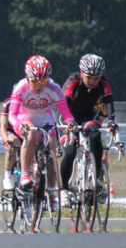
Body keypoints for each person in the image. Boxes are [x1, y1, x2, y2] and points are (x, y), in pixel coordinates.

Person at [9, 55, 76, 210]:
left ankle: (52, 194)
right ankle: (26, 173)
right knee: (31, 134)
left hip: (45, 116)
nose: (39, 86)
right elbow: (12, 114)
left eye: (43, 82)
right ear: (28, 78)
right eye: (35, 82)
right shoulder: (21, 87)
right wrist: (20, 126)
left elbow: (65, 113)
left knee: (52, 149)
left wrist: (70, 122)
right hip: (24, 116)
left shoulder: (55, 88)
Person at [59, 54, 117, 207]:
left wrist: (111, 122)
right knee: (70, 152)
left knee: (95, 134)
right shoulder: (73, 81)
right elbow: (65, 104)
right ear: (82, 72)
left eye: (96, 78)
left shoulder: (104, 83)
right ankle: (64, 189)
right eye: (89, 77)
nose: (93, 81)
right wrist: (68, 123)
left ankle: (94, 176)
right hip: (68, 116)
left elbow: (110, 104)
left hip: (87, 115)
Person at [0, 96, 21, 191]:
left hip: (25, 131)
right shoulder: (8, 103)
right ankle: (7, 175)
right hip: (10, 131)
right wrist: (6, 140)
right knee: (14, 144)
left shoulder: (32, 102)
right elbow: (3, 126)